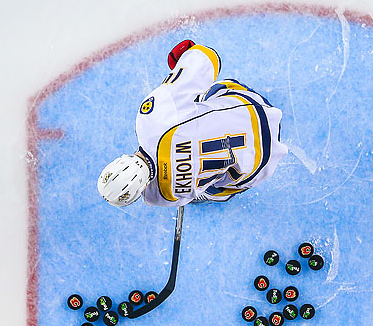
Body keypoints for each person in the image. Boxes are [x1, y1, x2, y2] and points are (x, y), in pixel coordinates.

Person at [97, 40, 288, 207]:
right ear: (119, 160)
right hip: (257, 111)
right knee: (202, 97)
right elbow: (209, 58)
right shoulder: (151, 118)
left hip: (262, 164)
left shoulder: (160, 197)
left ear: (143, 188)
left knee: (213, 190)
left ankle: (210, 195)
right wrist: (190, 55)